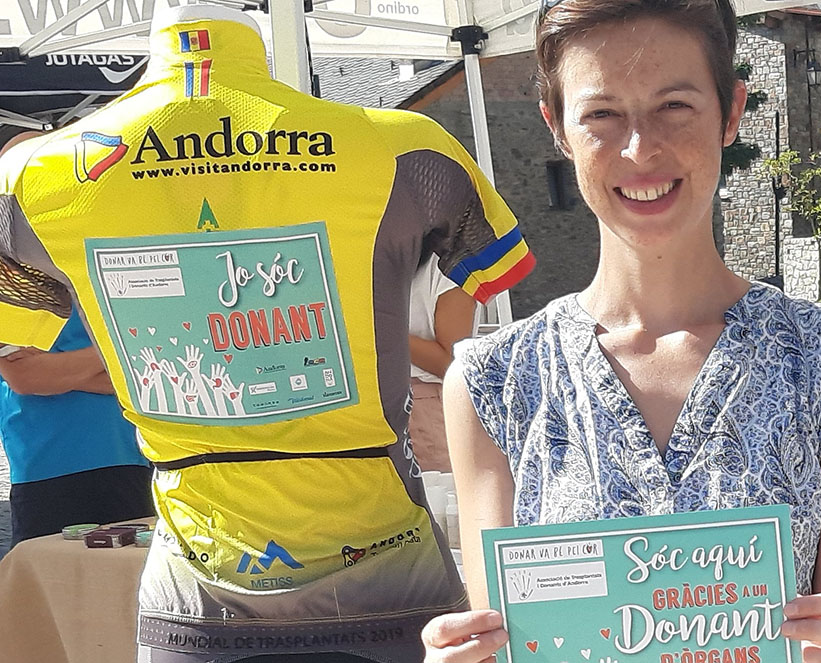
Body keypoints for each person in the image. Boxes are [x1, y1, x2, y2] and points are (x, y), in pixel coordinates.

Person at [0, 5, 533, 662]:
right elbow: (498, 273)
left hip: (198, 600)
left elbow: (18, 347)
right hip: (392, 583)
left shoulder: (34, 174)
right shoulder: (407, 147)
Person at [421, 1, 821, 663]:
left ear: (730, 112)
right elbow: (507, 642)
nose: (640, 149)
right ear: (557, 127)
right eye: (602, 114)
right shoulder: (491, 382)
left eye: (674, 106)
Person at [0, 305, 154, 548]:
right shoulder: (13, 289)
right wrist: (121, 348)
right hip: (45, 467)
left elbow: (146, 377)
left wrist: (56, 371)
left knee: (127, 568)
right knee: (48, 568)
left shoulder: (118, 288)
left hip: (127, 460)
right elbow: (26, 376)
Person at [407, 256, 477, 472]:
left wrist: (376, 328)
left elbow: (451, 362)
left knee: (433, 490)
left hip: (424, 404)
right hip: (365, 402)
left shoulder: (449, 270)